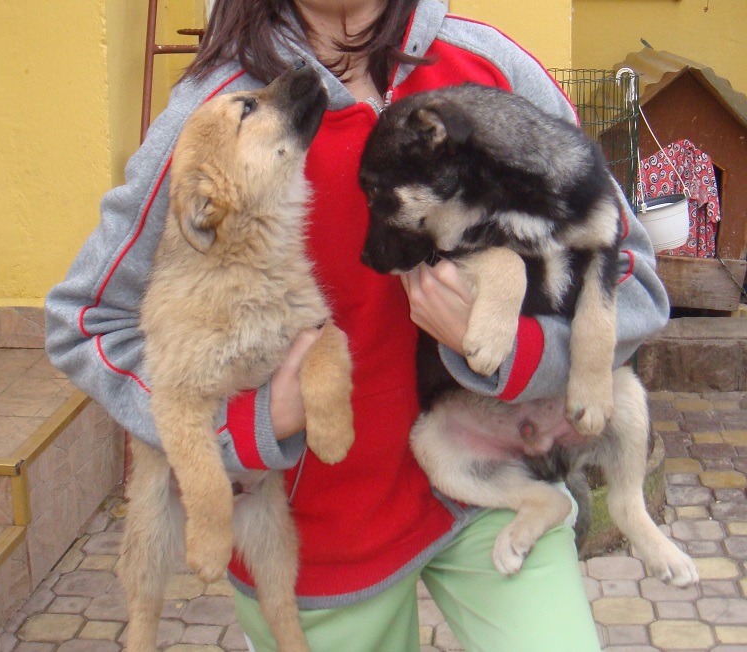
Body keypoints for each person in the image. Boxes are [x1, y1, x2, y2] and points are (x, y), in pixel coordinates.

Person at [44, 1, 670, 650]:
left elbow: (634, 281)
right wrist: (251, 423)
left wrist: (522, 353)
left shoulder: (489, 69)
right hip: (322, 547)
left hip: (494, 483)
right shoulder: (219, 115)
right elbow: (85, 322)